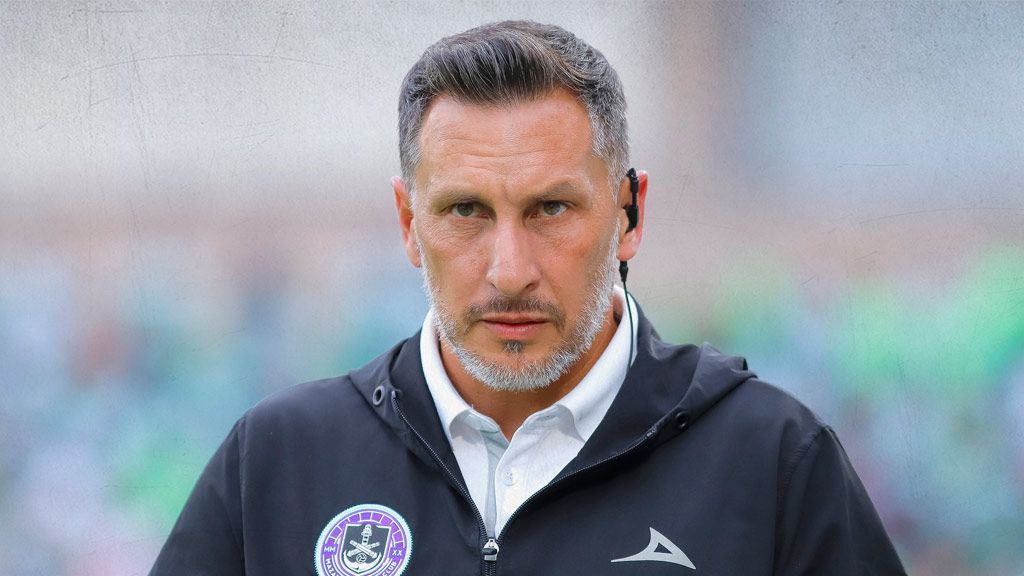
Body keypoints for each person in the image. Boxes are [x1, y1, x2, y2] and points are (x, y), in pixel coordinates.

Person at [150, 20, 905, 575]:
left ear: (629, 215)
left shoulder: (774, 462)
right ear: (409, 223)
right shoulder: (277, 462)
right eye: (466, 211)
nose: (509, 272)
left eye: (550, 209)